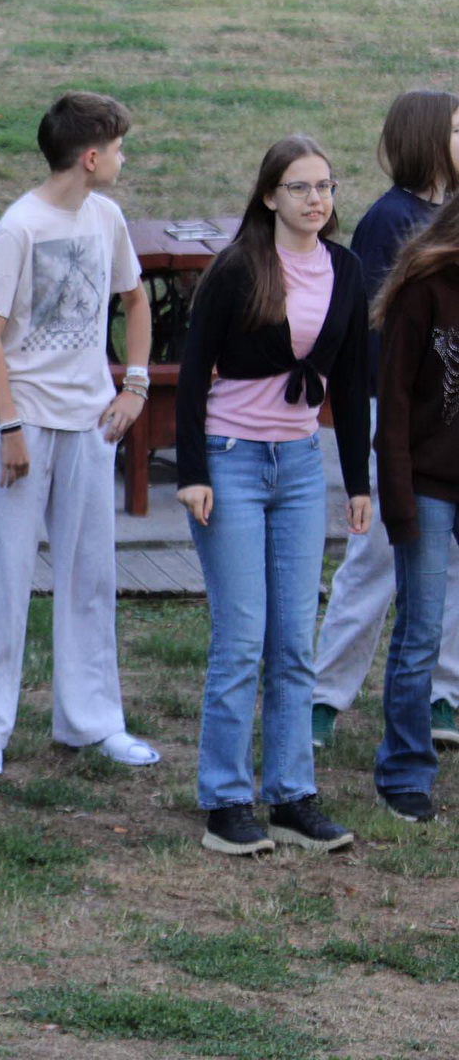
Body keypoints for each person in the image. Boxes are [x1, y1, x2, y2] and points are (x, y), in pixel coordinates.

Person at [0, 91, 159, 779]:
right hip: (24, 424)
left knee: (90, 575)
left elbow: (134, 301)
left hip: (90, 424)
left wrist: (134, 386)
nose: (124, 159)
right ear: (91, 157)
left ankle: (93, 721)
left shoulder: (107, 218)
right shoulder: (20, 226)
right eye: (119, 149)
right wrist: (10, 425)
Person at [177, 135, 371, 857]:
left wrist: (357, 482)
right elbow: (192, 372)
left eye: (325, 186)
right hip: (230, 462)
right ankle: (227, 802)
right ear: (269, 197)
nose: (316, 199)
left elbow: (351, 380)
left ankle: (292, 795)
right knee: (241, 639)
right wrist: (192, 473)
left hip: (298, 468)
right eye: (299, 187)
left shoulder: (346, 269)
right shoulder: (239, 267)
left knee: (294, 641)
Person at [311, 91, 459, 752]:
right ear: (426, 137)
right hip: (392, 415)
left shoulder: (453, 213)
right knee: (376, 557)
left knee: (449, 566)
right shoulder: (390, 219)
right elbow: (376, 333)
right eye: (457, 128)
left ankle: (442, 693)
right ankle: (323, 696)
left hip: (447, 423)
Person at [369, 195, 459, 822]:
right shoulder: (422, 292)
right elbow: (393, 406)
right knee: (421, 631)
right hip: (427, 485)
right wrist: (399, 502)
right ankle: (404, 770)